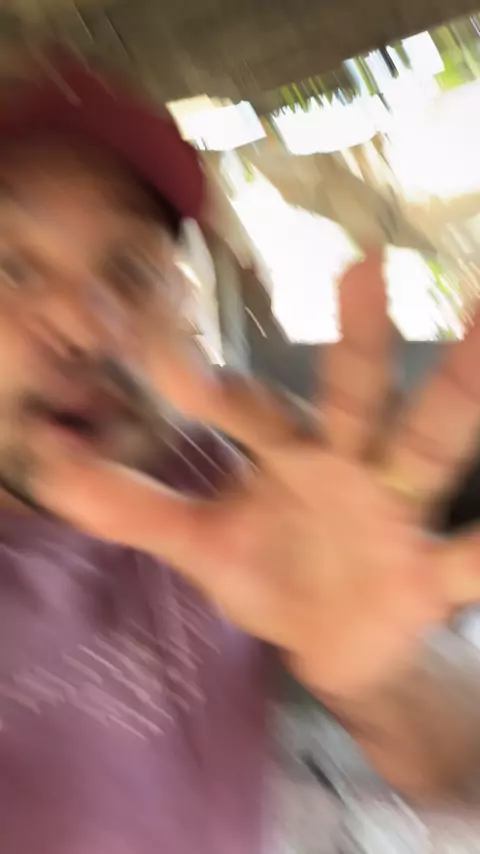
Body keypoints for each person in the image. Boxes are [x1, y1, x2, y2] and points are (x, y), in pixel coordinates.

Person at [1, 49, 480, 854]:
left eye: (130, 271)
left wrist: (385, 677)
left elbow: (465, 762)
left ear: (184, 309)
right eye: (11, 268)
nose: (84, 325)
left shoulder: (224, 484)